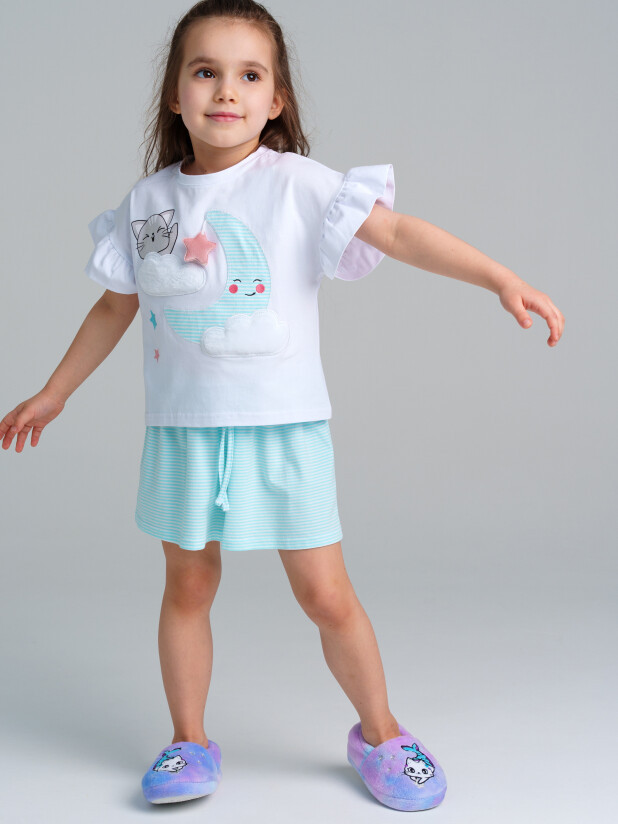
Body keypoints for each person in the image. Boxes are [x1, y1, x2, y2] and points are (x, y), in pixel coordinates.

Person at [0, 0, 564, 812]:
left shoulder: (297, 185)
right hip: (185, 433)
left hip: (284, 431)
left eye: (249, 75)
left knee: (325, 595)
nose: (226, 91)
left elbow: (399, 235)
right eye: (206, 71)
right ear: (175, 94)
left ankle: (382, 734)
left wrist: (501, 279)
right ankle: (188, 742)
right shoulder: (151, 204)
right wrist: (55, 391)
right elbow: (119, 304)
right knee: (187, 587)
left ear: (276, 100)